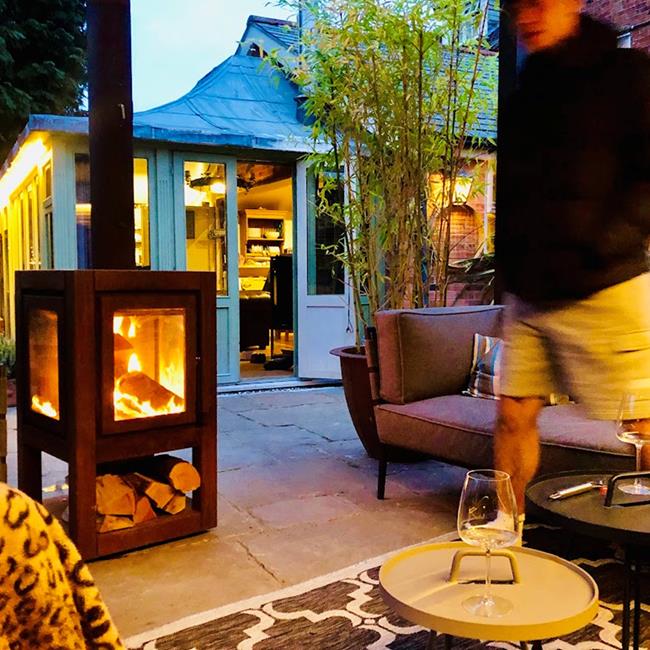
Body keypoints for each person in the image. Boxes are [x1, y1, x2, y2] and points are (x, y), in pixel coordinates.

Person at [495, 0, 650, 516]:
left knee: (644, 425)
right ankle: (505, 533)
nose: (526, 17)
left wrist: (604, 241)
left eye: (538, 4)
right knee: (512, 415)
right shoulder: (525, 91)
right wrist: (512, 267)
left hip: (607, 283)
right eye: (518, 8)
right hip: (530, 294)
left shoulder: (626, 74)